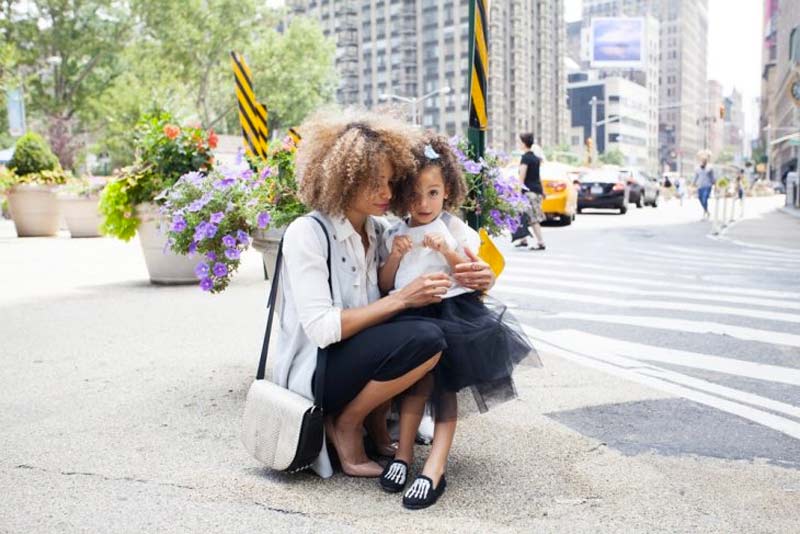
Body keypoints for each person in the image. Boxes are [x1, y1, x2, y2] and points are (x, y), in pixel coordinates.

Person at [377, 133, 539, 509]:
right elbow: (386, 284)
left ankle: (435, 465)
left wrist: (447, 250)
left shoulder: (455, 229)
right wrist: (396, 257)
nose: (423, 203)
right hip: (409, 314)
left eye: (432, 193)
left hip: (452, 315)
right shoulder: (395, 232)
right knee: (413, 387)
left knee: (443, 387)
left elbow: (470, 272)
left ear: (447, 190)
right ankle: (403, 455)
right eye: (415, 195)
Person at [517, 132, 546, 250]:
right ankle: (523, 239)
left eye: (519, 142)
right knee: (522, 215)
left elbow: (522, 177)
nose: (518, 144)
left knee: (533, 218)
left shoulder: (525, 158)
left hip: (529, 192)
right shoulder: (535, 158)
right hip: (537, 191)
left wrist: (518, 193)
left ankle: (541, 242)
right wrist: (543, 191)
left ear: (524, 143)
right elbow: (538, 177)